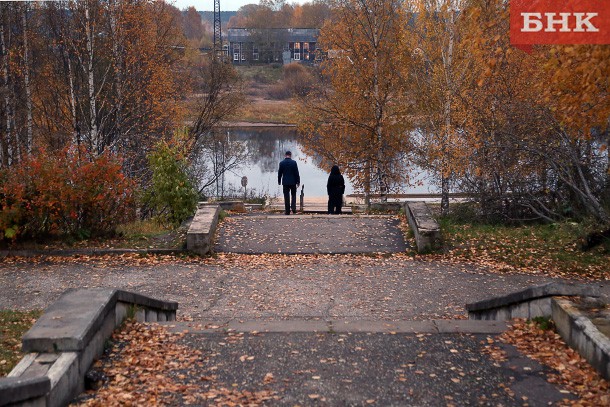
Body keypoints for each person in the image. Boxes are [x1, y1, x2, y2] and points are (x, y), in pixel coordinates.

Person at [278, 150, 300, 215]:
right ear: (290, 155)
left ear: (285, 155)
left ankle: (287, 211)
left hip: (285, 182)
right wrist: (298, 181)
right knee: (293, 195)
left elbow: (280, 173)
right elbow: (296, 173)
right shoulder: (294, 163)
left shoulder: (281, 163)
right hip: (293, 182)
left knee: (286, 196)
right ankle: (293, 209)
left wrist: (279, 181)